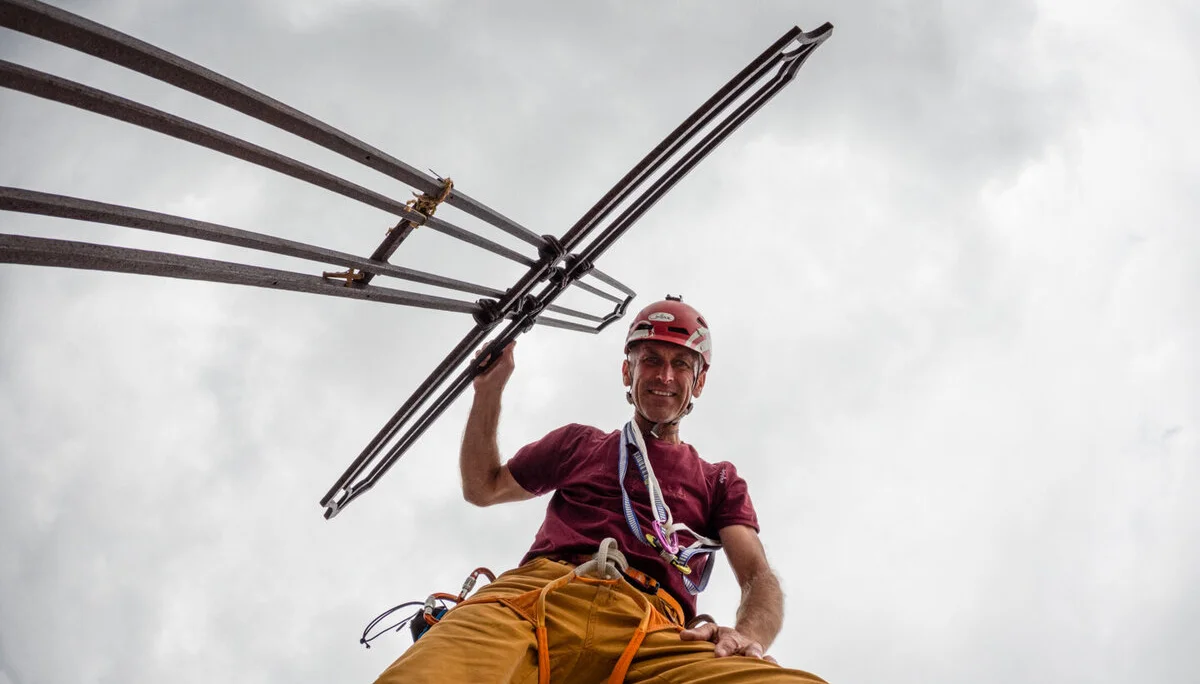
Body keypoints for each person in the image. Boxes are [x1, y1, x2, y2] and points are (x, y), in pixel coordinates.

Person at [373, 296, 826, 683]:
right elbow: (483, 487)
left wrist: (748, 635)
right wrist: (488, 392)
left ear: (699, 382)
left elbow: (758, 576)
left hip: (656, 630)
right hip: (537, 600)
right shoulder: (579, 444)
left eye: (680, 365)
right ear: (626, 371)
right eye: (650, 359)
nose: (664, 376)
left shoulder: (718, 479)